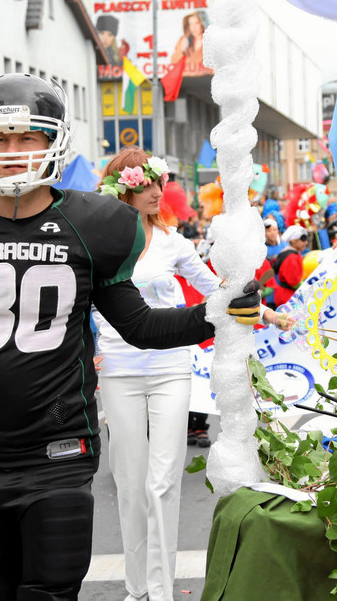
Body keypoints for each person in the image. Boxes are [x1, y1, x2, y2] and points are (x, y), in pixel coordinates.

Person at [0, 73, 262, 600]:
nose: (11, 152)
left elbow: (139, 326)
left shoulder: (92, 224)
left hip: (57, 454)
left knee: (50, 593)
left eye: (25, 138)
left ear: (52, 141)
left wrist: (212, 313)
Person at [95, 147, 288, 601]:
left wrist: (268, 313)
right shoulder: (100, 246)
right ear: (122, 188)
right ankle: (135, 589)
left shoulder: (174, 243)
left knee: (163, 481)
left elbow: (216, 292)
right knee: (129, 481)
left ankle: (159, 593)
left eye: (161, 183)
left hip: (170, 368)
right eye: (147, 184)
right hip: (118, 371)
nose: (158, 192)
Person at [266, 225, 309, 308]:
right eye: (303, 239)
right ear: (293, 240)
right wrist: (307, 286)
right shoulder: (291, 258)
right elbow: (295, 282)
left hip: (287, 295)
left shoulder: (294, 254)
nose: (306, 242)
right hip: (287, 297)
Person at [169, 12, 207, 76]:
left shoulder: (209, 41)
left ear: (202, 23)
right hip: (186, 79)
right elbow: (173, 61)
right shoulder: (183, 40)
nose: (193, 27)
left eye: (196, 23)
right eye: (190, 24)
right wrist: (182, 50)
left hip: (204, 79)